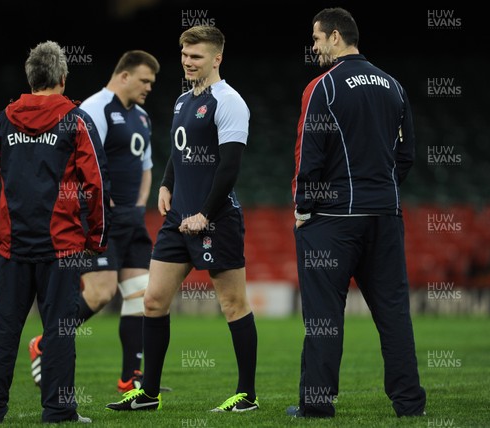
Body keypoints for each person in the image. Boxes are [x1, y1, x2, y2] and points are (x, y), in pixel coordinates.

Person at [105, 25, 259, 412]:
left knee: (233, 304)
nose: (188, 63)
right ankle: (149, 394)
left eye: (197, 56)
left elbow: (229, 167)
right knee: (153, 301)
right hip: (177, 220)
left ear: (217, 58)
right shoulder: (181, 101)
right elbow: (179, 150)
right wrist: (166, 184)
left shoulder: (230, 101)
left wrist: (205, 214)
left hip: (217, 219)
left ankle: (247, 395)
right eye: (185, 55)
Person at [288, 7, 426, 419]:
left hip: (332, 220)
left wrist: (302, 207)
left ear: (335, 37)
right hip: (385, 215)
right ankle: (409, 403)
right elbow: (407, 155)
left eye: (316, 39)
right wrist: (380, 192)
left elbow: (307, 154)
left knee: (324, 316)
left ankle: (317, 404)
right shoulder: (393, 85)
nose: (313, 48)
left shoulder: (322, 87)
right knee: (394, 313)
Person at [0, 40, 111, 424]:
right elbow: (95, 184)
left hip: (13, 249)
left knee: (2, 329)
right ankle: (59, 410)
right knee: (60, 332)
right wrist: (96, 239)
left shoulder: (0, 122)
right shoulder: (77, 120)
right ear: (63, 79)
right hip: (62, 249)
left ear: (31, 79)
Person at [27, 50, 166, 394]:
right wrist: (106, 205)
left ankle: (130, 379)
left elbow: (146, 166)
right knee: (102, 294)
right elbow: (83, 163)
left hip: (132, 218)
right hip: (100, 218)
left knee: (139, 296)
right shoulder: (95, 108)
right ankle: (45, 342)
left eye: (152, 82)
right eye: (144, 80)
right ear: (124, 76)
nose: (149, 87)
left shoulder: (143, 118)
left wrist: (137, 205)